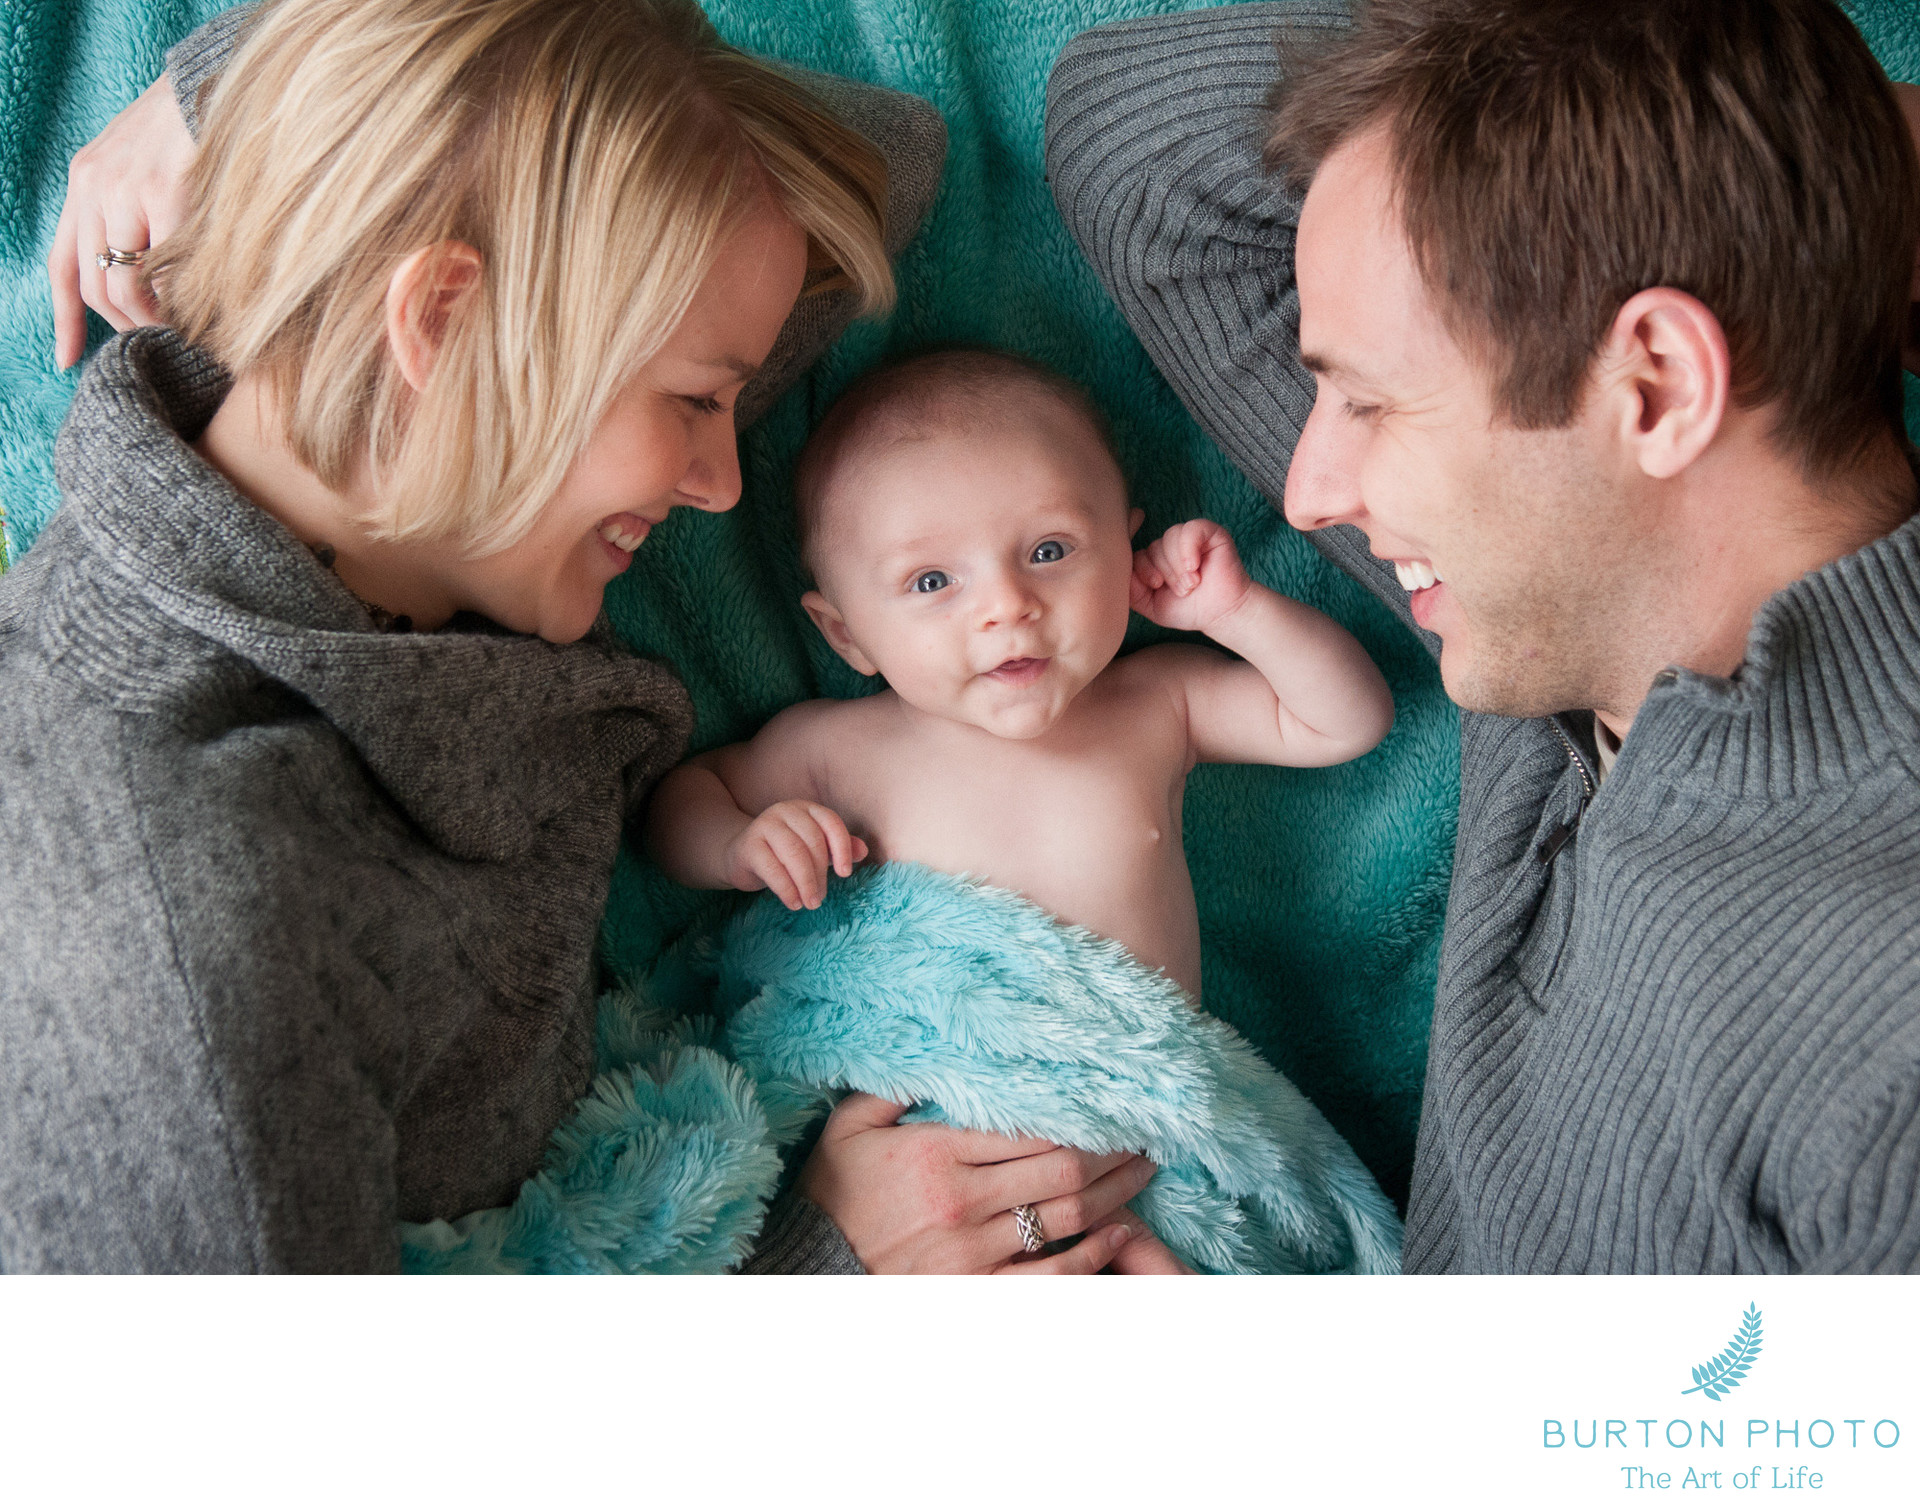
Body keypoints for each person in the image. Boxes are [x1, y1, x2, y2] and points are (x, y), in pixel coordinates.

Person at [3, 0, 1151, 1275]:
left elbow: (882, 162)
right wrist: (825, 1269)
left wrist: (253, 92)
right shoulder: (180, 921)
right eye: (696, 402)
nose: (725, 481)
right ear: (439, 323)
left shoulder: (429, 475)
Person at [1047, 0, 1920, 1272]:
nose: (1308, 492)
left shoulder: (1882, 1036)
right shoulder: (1561, 624)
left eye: (1367, 400)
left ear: (1658, 388)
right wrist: (1791, 162)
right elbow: (1138, 144)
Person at [642, 349, 1394, 1269]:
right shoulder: (837, 746)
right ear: (847, 633)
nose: (1007, 606)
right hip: (934, 1161)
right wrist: (739, 843)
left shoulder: (1153, 705)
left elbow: (1344, 720)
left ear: (1125, 548)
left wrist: (1234, 613)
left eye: (1048, 551)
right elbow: (680, 801)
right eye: (931, 582)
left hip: (1136, 1174)